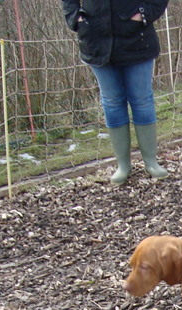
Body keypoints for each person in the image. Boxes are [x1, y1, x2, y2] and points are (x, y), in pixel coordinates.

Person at [62, 0, 170, 183]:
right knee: (112, 102)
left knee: (142, 100)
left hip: (137, 38)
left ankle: (151, 162)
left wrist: (144, 14)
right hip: (96, 39)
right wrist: (77, 18)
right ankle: (123, 166)